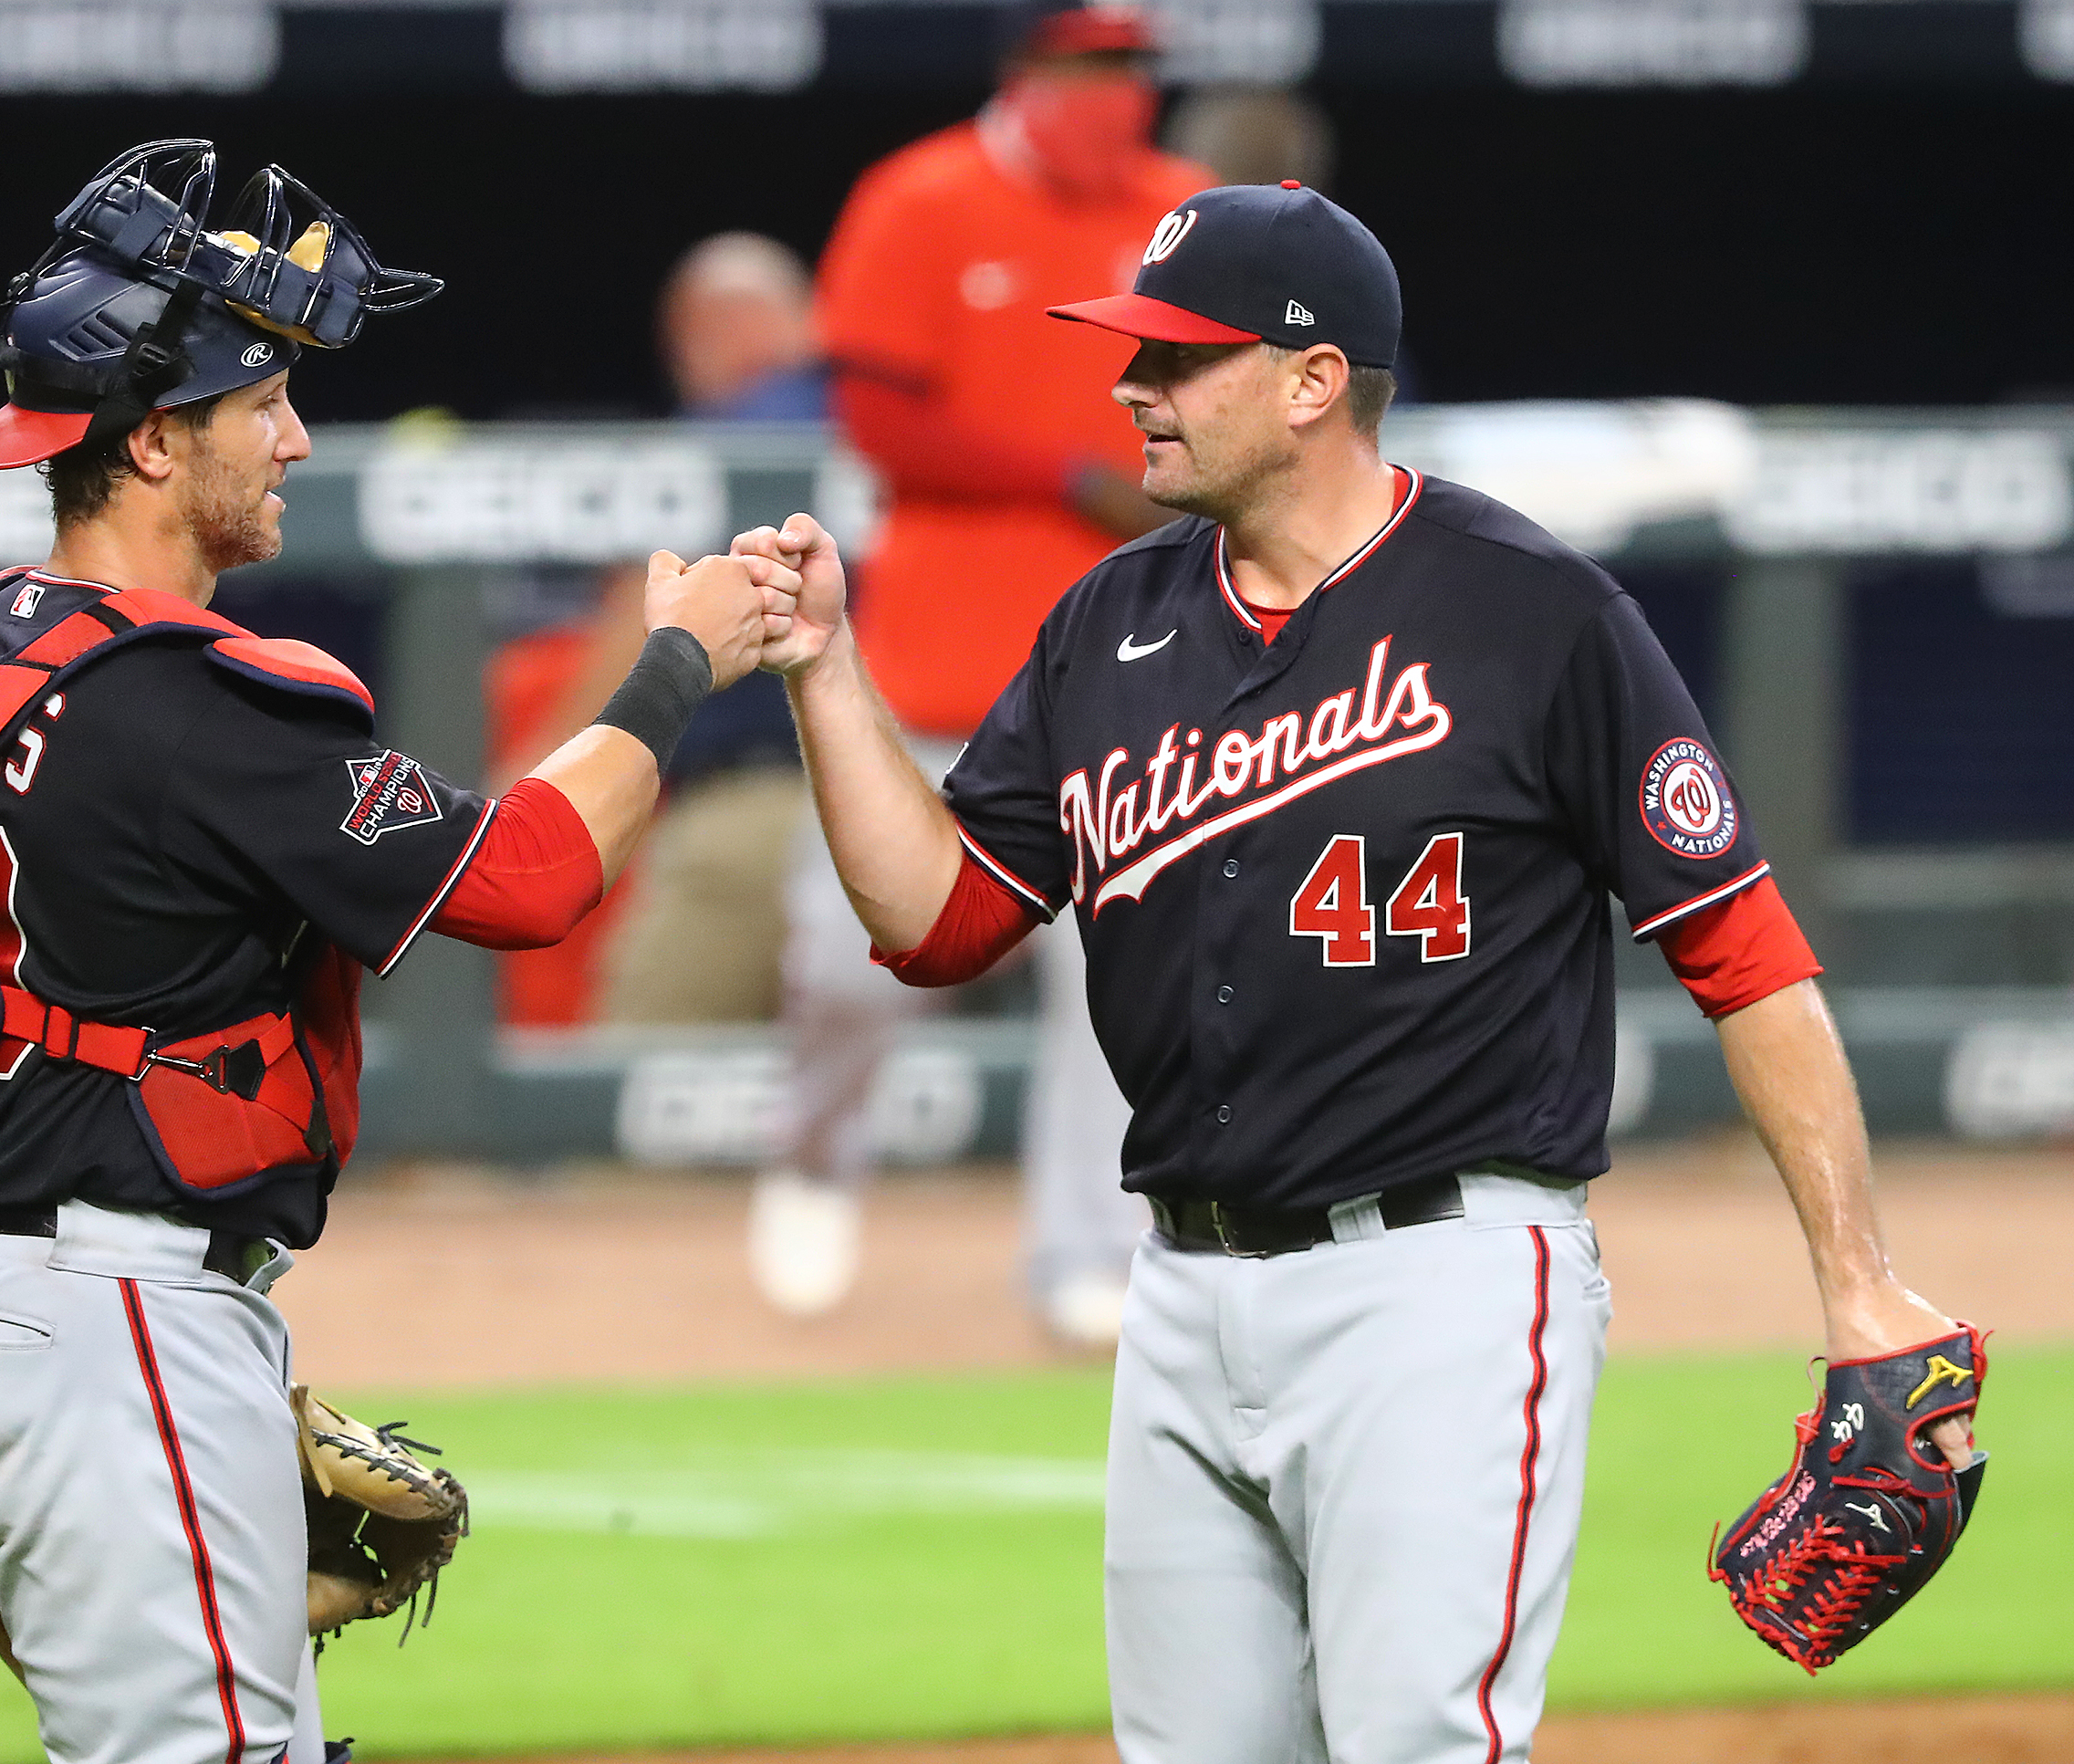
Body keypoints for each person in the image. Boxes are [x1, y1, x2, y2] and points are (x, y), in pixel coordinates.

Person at [738, 181, 1975, 1761]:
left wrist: (1859, 1280)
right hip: (1177, 1293)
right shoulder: (1105, 619)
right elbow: (941, 922)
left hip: (1444, 1289)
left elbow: (1744, 948)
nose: (1134, 388)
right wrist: (826, 674)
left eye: (1182, 359)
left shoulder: (1532, 612)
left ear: (1314, 381)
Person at [0, 141, 780, 1764]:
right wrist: (681, 659)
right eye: (258, 401)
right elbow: (530, 875)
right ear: (150, 437)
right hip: (111, 1318)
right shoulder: (194, 705)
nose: (293, 437)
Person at [752, 0, 1211, 1339]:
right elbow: (877, 418)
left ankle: (1087, 1249)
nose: (1119, 93)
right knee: (848, 955)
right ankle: (815, 1155)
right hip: (936, 664)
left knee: (1110, 970)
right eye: (1092, 66)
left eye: (1135, 69)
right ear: (1028, 69)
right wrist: (1073, 480)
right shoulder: (923, 197)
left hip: (1130, 665)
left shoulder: (1187, 209)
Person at [500, 232, 824, 1027]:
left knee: (636, 1098)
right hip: (918, 805)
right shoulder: (894, 418)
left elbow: (640, 624)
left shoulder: (744, 425)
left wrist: (518, 783)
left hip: (760, 813)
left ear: (716, 327)